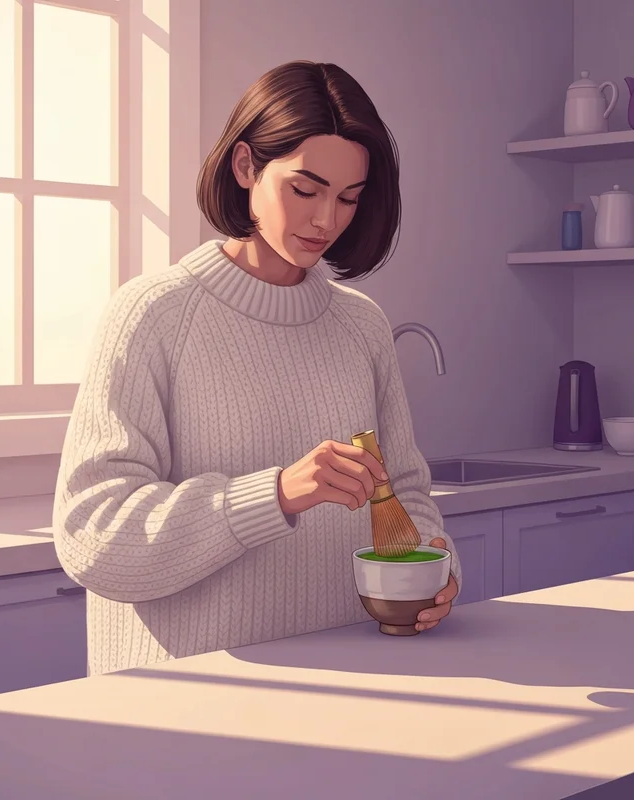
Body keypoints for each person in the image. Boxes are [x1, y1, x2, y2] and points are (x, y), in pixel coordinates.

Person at [52, 60, 462, 676]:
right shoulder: (153, 315)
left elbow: (403, 491)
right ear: (246, 166)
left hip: (356, 684)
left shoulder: (362, 325)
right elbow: (93, 536)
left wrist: (436, 568)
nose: (327, 220)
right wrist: (274, 496)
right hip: (186, 696)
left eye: (348, 198)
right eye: (305, 190)